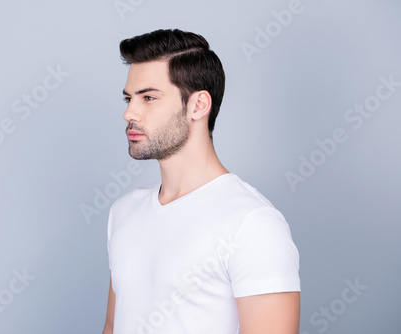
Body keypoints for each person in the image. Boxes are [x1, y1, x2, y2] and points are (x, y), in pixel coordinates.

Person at [102, 29, 300, 334]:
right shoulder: (124, 211)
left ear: (198, 105)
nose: (130, 112)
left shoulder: (252, 223)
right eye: (129, 98)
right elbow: (113, 327)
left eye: (149, 98)